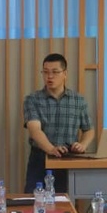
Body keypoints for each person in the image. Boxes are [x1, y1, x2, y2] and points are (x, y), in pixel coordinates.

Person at [22, 53, 94, 193]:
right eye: (46, 72)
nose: (49, 76)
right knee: (34, 200)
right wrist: (51, 149)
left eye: (55, 72)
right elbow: (34, 129)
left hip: (68, 159)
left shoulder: (78, 100)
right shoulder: (33, 99)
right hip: (40, 158)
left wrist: (82, 145)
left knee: (64, 203)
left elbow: (89, 129)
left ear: (65, 73)